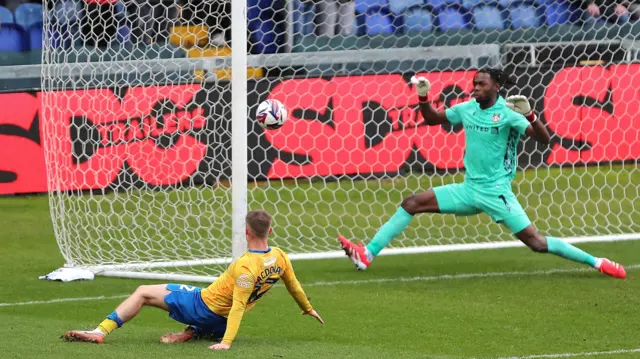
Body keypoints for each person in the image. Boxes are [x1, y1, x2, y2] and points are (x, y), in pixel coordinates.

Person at [338, 69, 627, 280]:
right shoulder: (467, 108)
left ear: (496, 86)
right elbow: (433, 119)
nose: (474, 87)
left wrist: (530, 116)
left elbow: (545, 140)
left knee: (537, 243)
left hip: (496, 192)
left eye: (481, 84)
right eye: (474, 83)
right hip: (469, 188)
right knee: (412, 202)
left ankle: (597, 261)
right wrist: (424, 96)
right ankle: (367, 254)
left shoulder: (509, 113)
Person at [63, 210, 324, 351]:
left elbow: (237, 306)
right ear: (271, 231)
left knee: (143, 291)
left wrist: (227, 343)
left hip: (204, 307)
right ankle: (191, 333)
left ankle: (100, 332)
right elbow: (295, 286)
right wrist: (307, 308)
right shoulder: (280, 256)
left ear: (246, 231)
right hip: (218, 321)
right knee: (208, 301)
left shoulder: (245, 266)